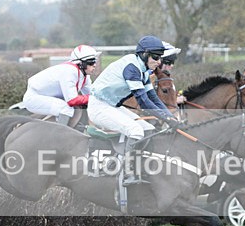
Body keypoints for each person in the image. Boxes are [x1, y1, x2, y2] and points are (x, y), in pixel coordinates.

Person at [88, 35, 178, 185]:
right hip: (98, 107)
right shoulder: (132, 69)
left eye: (160, 58)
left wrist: (171, 117)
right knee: (136, 131)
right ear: (144, 54)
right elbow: (143, 102)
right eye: (155, 57)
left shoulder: (143, 70)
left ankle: (139, 166)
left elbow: (153, 99)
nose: (159, 62)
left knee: (148, 129)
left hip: (112, 106)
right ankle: (125, 171)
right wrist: (166, 119)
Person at [22, 44, 100, 127]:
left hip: (48, 97)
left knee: (75, 108)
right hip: (34, 98)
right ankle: (59, 135)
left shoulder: (85, 76)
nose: (94, 65)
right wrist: (93, 98)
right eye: (91, 62)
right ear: (81, 64)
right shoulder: (70, 72)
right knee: (66, 108)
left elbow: (92, 95)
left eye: (95, 61)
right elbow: (72, 100)